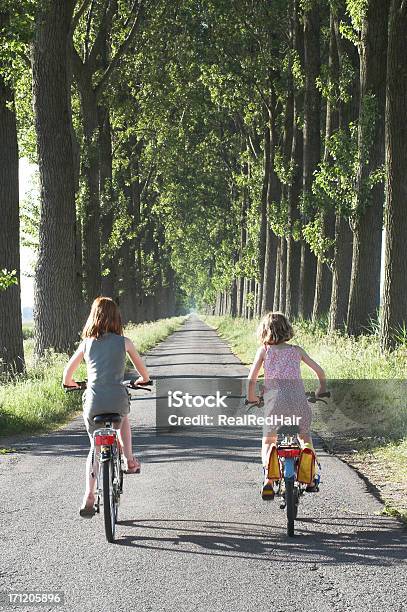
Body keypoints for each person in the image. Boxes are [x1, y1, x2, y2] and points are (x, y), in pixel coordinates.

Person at [62, 296, 150, 517]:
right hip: (117, 399)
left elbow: (67, 377)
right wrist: (141, 381)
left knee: (95, 446)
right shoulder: (125, 342)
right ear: (116, 318)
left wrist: (73, 384)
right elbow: (144, 375)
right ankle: (130, 460)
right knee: (124, 419)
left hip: (93, 402)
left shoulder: (86, 344)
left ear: (93, 317)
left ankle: (88, 495)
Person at [247, 311, 326, 499]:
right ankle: (311, 475)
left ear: (264, 331)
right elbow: (320, 372)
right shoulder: (296, 351)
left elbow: (251, 379)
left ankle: (268, 480)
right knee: (305, 438)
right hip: (298, 400)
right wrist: (320, 390)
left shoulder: (264, 351)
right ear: (287, 329)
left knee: (269, 441)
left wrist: (252, 398)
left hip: (275, 403)